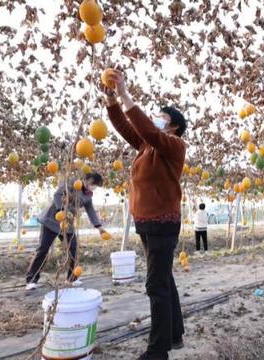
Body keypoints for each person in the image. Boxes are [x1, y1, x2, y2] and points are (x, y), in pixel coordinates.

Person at [103, 70, 187, 360]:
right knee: (164, 279)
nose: (155, 119)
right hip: (146, 222)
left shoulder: (174, 145)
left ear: (173, 126)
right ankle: (175, 334)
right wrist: (112, 99)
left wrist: (125, 93)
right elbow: (125, 127)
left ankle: (158, 350)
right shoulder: (145, 145)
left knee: (155, 284)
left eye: (161, 116)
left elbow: (146, 129)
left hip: (163, 222)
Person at [25, 173, 106, 290]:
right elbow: (57, 195)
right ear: (86, 180)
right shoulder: (72, 183)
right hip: (52, 219)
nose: (93, 187)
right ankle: (31, 280)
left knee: (73, 248)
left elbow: (91, 211)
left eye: (96, 186)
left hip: (67, 223)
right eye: (93, 184)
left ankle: (72, 278)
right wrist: (61, 210)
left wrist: (99, 226)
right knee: (43, 249)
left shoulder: (88, 196)